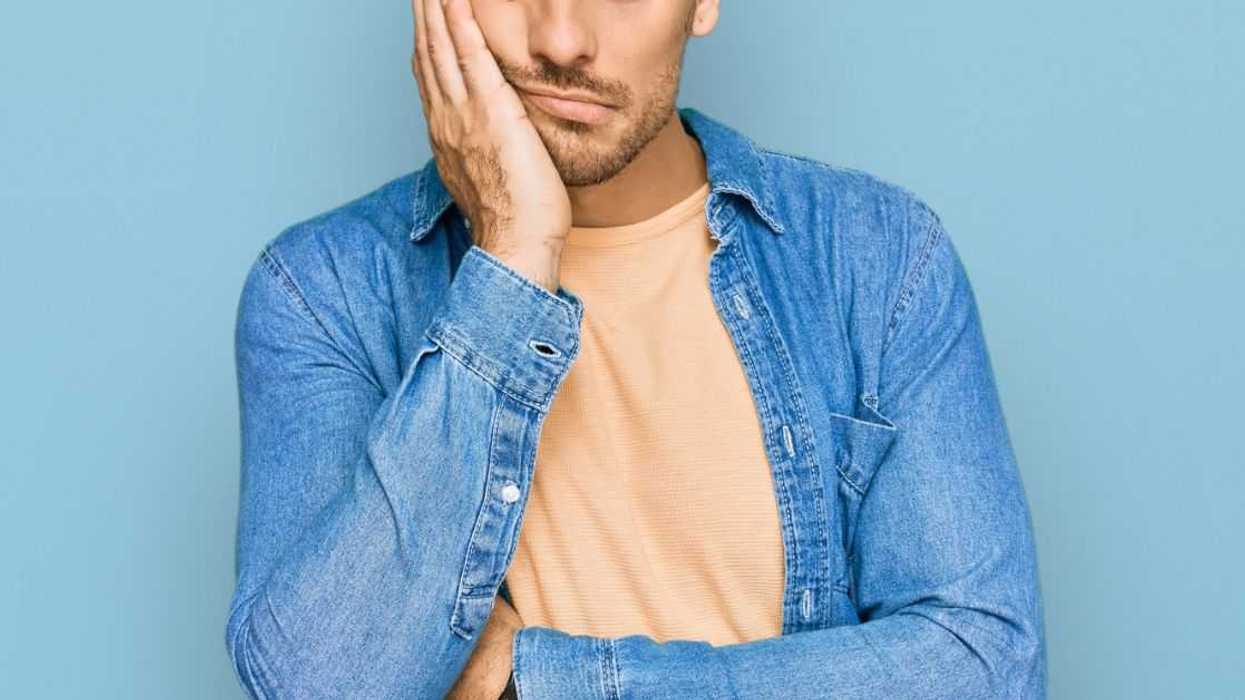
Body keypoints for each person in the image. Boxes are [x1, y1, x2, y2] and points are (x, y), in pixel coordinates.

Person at [225, 0, 1047, 697]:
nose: (560, 41)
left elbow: (985, 666)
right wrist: (511, 254)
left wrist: (541, 681)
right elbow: (317, 682)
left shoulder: (876, 257)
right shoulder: (324, 290)